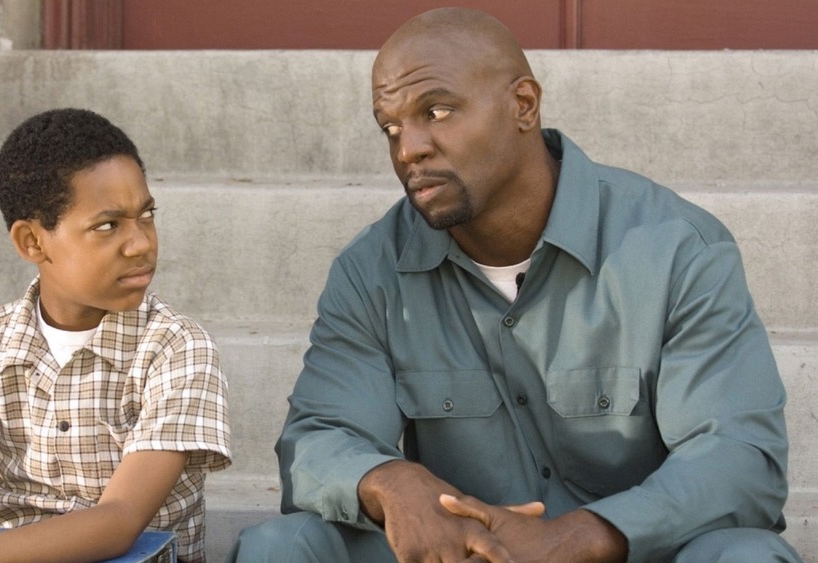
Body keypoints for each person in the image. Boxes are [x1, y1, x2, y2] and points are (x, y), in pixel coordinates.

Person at [228, 7, 801, 562]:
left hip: (627, 554)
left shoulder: (676, 250)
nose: (409, 149)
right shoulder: (371, 271)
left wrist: (572, 539)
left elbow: (737, 459)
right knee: (283, 547)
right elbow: (319, 439)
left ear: (523, 105)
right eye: (391, 127)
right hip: (457, 555)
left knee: (746, 555)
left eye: (439, 110)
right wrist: (387, 481)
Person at [0, 108, 231, 563]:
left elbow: (119, 521)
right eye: (107, 225)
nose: (141, 243)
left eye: (147, 215)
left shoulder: (176, 347)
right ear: (31, 243)